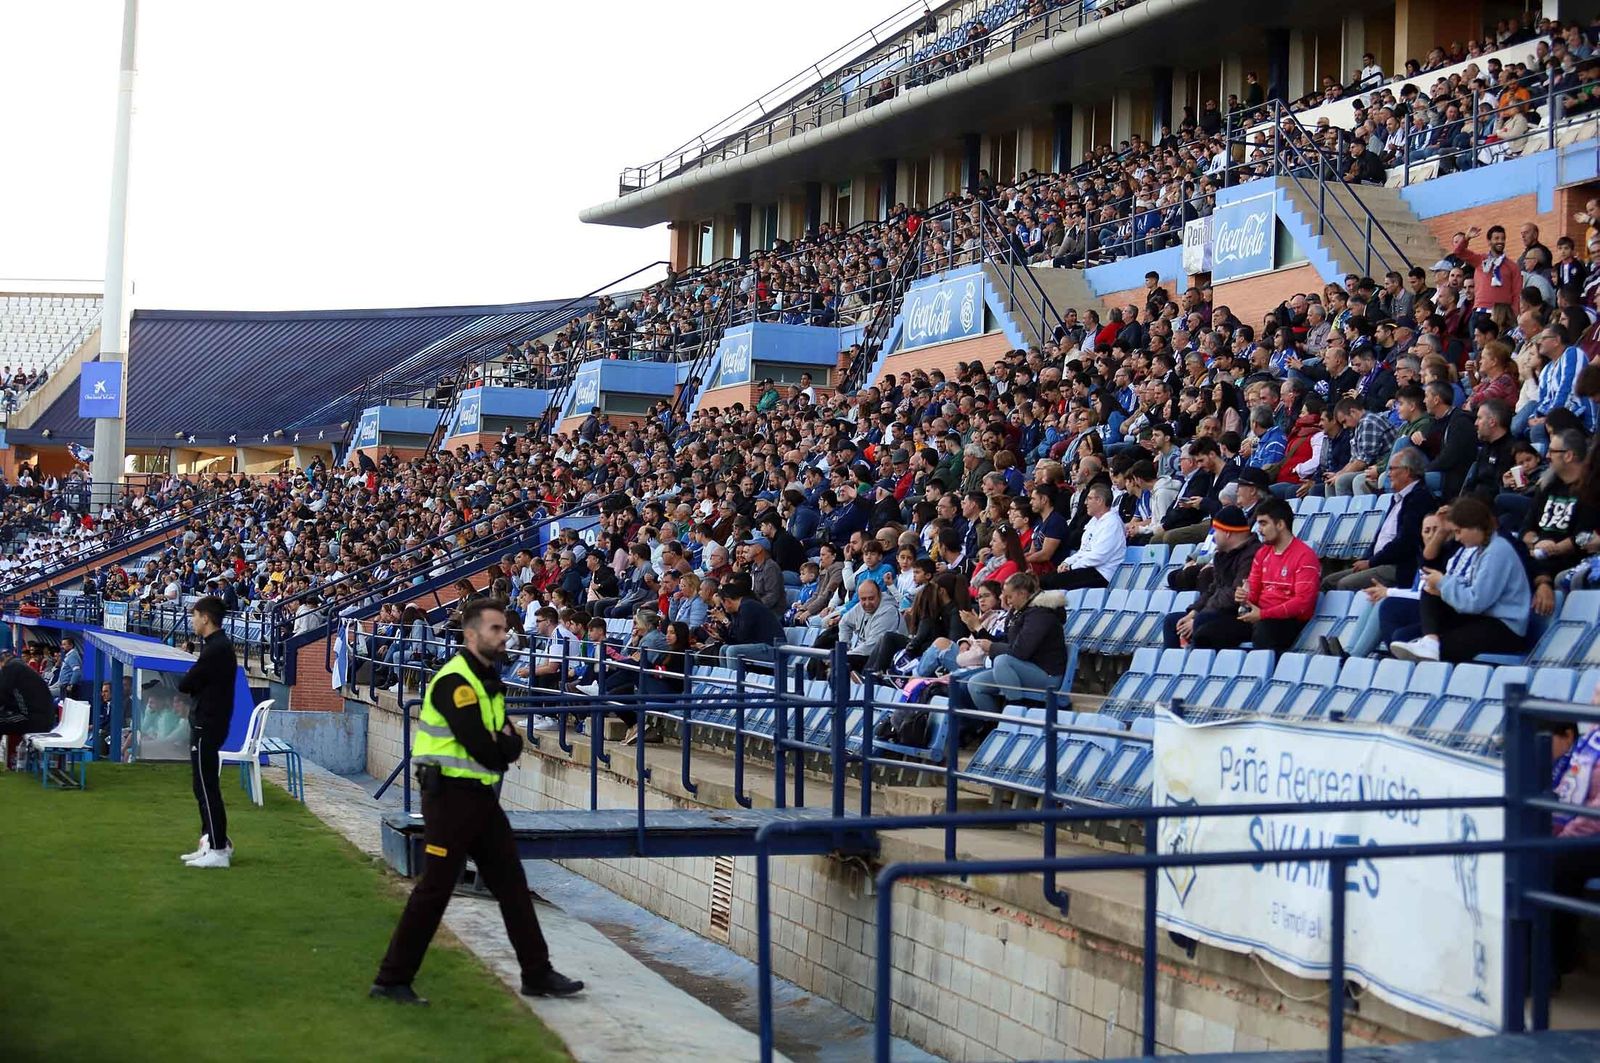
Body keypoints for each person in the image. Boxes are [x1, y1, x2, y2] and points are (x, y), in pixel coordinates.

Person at [372, 599, 582, 1005]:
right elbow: (487, 747)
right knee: (435, 888)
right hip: (449, 797)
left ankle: (536, 973)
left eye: (504, 629)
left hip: (480, 798)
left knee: (512, 885)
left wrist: (502, 744)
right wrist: (502, 744)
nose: (504, 636)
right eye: (495, 629)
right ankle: (391, 978)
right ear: (471, 636)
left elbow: (508, 746)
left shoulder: (488, 681)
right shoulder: (457, 681)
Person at [1389, 497, 1532, 662]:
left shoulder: (1497, 551)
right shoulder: (1484, 549)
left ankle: (1432, 647)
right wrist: (1439, 586)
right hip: (1483, 618)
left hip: (1505, 627)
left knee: (1444, 649)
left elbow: (1476, 602)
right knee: (1429, 593)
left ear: (1473, 526)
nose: (1457, 538)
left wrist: (1443, 583)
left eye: (1458, 531)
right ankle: (1430, 641)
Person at [177, 595, 238, 869]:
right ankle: (210, 840)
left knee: (206, 785)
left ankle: (218, 849)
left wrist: (193, 678)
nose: (192, 621)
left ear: (205, 617)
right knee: (199, 784)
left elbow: (187, 682)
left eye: (194, 615)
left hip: (208, 723)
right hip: (207, 721)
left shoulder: (217, 649)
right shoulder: (215, 646)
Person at [1224, 498, 1320, 652]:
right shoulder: (1262, 553)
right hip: (1259, 616)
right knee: (1208, 630)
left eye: (1263, 523)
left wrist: (1263, 614)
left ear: (1280, 525)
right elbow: (1253, 594)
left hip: (1286, 621)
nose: (1259, 530)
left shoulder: (1305, 556)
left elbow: (1303, 603)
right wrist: (1244, 596)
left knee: (1264, 631)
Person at [1161, 506, 1260, 648]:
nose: (1213, 537)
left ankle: (1194, 667)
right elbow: (1212, 589)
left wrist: (1198, 617)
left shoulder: (1252, 554)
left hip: (1240, 615)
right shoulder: (1222, 555)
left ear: (1227, 533)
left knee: (1203, 623)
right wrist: (1193, 612)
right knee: (1172, 621)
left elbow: (1235, 594)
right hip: (1218, 612)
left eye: (1216, 531)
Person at [0, 652, 57, 771]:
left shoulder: (10, 668)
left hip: (33, 719)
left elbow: (3, 695)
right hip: (43, 718)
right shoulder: (20, 668)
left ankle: (10, 763)